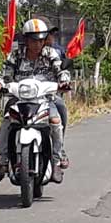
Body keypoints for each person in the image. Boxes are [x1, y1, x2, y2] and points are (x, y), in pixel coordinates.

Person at [0, 18, 70, 184]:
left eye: (41, 40)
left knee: (56, 120)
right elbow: (5, 73)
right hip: (19, 98)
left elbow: (61, 69)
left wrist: (64, 81)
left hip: (45, 99)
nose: (37, 44)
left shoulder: (51, 54)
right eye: (34, 40)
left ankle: (56, 159)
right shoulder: (15, 55)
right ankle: (3, 162)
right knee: (6, 122)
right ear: (25, 40)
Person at [44, 24, 70, 165]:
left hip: (51, 93)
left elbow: (62, 69)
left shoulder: (56, 52)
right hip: (26, 95)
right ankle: (5, 158)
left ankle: (60, 150)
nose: (51, 37)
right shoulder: (20, 54)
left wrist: (63, 81)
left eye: (52, 34)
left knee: (61, 109)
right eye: (49, 34)